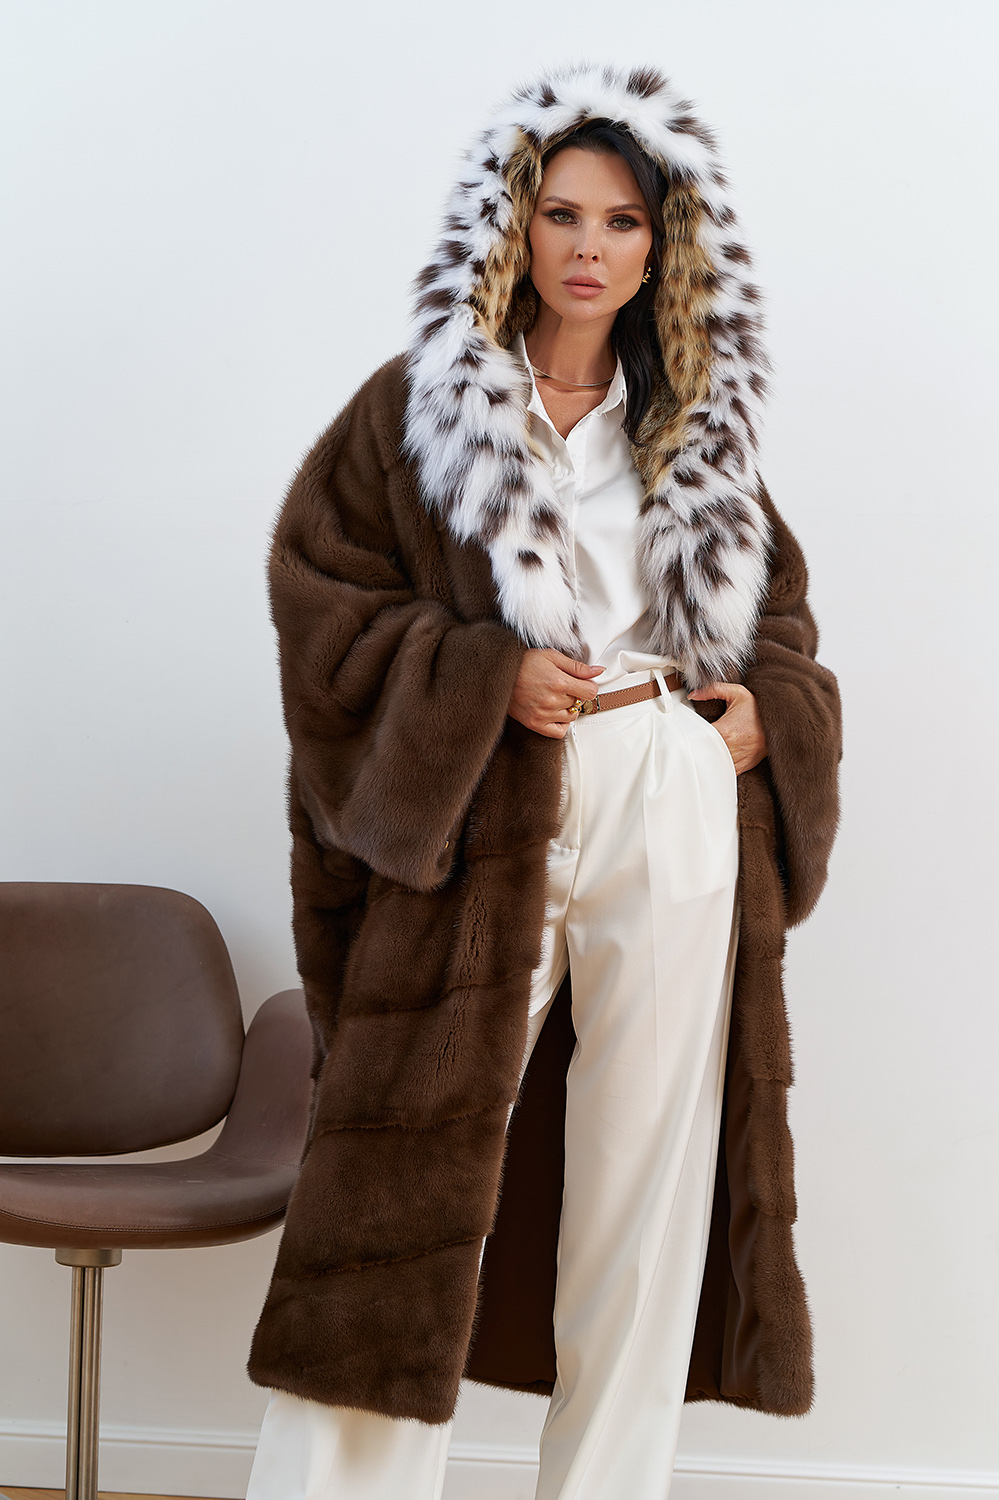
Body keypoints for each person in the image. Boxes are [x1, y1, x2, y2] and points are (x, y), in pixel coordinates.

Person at [244, 62, 842, 1500]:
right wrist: (481, 676)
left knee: (648, 1183)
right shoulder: (422, 409)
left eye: (622, 221)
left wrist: (765, 720)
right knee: (398, 1175)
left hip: (669, 789)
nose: (588, 247)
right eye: (561, 212)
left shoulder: (694, 426)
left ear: (660, 246)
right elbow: (319, 598)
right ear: (509, 224)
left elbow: (782, 619)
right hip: (489, 802)